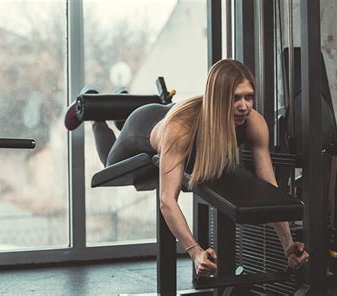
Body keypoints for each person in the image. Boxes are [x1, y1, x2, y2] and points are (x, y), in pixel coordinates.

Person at [81, 59, 309, 276]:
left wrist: (287, 244)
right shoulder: (181, 129)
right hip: (141, 127)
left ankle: (122, 100)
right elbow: (167, 200)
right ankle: (97, 113)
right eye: (235, 98)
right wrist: (195, 251)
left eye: (249, 97)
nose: (244, 106)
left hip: (168, 120)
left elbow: (269, 187)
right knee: (110, 163)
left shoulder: (254, 123)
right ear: (217, 99)